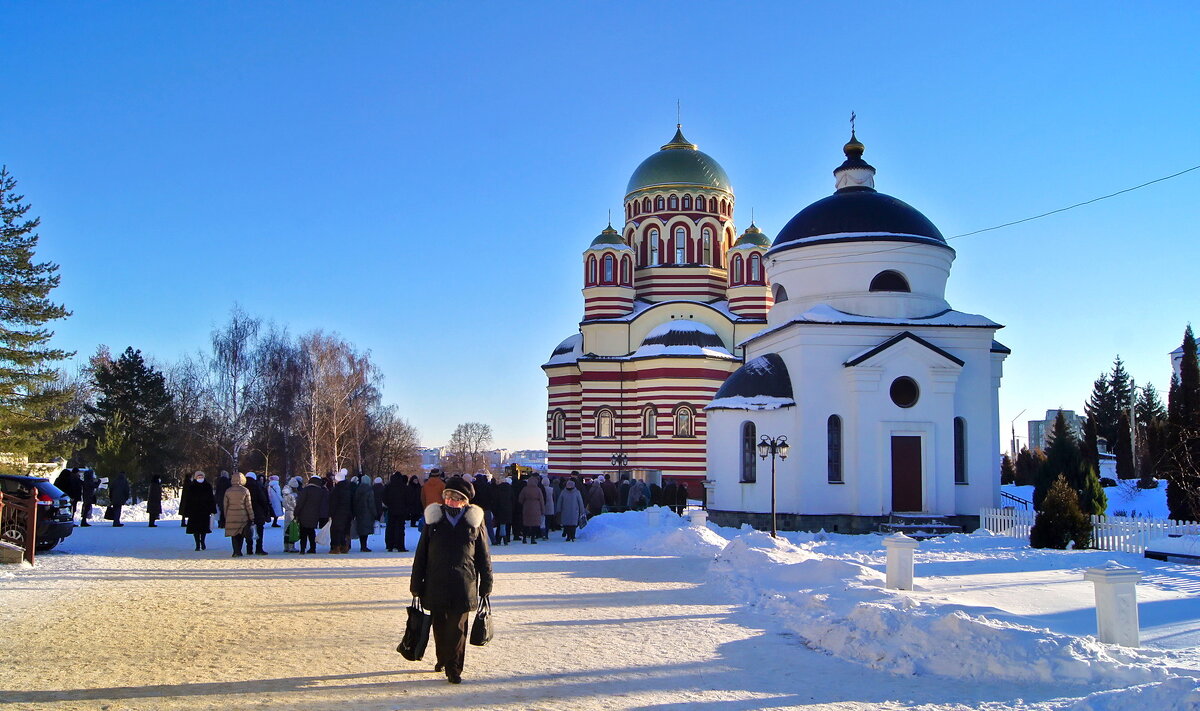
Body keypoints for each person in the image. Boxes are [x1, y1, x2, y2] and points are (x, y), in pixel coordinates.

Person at [409, 477, 493, 684]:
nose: (451, 501)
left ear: (465, 501)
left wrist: (486, 582)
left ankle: (454, 667)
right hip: (435, 581)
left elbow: (483, 554)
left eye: (456, 498)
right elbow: (421, 554)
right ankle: (442, 659)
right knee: (439, 625)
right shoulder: (434, 519)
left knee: (457, 628)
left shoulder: (473, 522)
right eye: (448, 496)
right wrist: (416, 583)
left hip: (464, 582)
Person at [293, 476, 328, 554]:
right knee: (311, 531)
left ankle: (302, 549)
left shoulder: (306, 490)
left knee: (303, 532)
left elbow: (300, 502)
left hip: (304, 514)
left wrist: (296, 513)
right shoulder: (321, 491)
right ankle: (313, 548)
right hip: (315, 514)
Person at [222, 472, 254, 557]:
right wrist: (251, 516)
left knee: (233, 533)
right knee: (241, 533)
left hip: (231, 515)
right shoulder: (245, 490)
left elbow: (225, 505)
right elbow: (248, 505)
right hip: (242, 515)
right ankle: (239, 550)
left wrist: (226, 516)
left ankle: (235, 551)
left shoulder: (228, 491)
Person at [183, 471, 216, 551]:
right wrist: (187, 511)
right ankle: (197, 544)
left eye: (201, 476)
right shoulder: (192, 486)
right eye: (198, 476)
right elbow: (188, 500)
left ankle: (203, 542)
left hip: (205, 510)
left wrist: (212, 509)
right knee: (195, 529)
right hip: (194, 511)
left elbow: (211, 498)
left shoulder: (207, 486)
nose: (200, 478)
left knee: (203, 528)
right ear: (195, 477)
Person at [244, 472, 271, 555]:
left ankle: (249, 549)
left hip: (246, 512)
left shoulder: (243, 487)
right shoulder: (258, 486)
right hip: (258, 511)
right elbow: (263, 499)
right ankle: (259, 548)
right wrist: (266, 510)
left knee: (248, 530)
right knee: (259, 530)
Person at [329, 470, 355, 554]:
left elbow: (333, 503)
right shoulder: (348, 489)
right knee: (345, 531)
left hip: (338, 514)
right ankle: (345, 546)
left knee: (336, 531)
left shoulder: (336, 490)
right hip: (347, 513)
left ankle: (336, 547)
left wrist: (331, 513)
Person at [383, 472, 409, 552]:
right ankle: (401, 546)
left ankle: (390, 546)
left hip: (391, 510)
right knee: (401, 529)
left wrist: (389, 505)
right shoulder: (404, 487)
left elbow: (384, 497)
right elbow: (408, 498)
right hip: (401, 510)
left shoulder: (388, 487)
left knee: (391, 528)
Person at [517, 475, 544, 544]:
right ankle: (533, 538)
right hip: (536, 508)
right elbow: (541, 500)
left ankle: (524, 538)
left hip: (526, 507)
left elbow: (520, 499)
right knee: (534, 524)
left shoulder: (525, 489)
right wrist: (542, 510)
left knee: (526, 524)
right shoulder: (538, 489)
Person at [353, 473, 376, 552]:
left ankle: (362, 545)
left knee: (361, 530)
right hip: (367, 513)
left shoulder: (358, 489)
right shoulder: (369, 490)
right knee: (365, 530)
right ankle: (364, 546)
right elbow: (371, 503)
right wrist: (374, 513)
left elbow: (355, 501)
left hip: (359, 512)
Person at [282, 476, 302, 552]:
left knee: (287, 530)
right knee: (292, 530)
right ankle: (291, 546)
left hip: (287, 512)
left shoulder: (285, 493)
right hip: (292, 512)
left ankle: (286, 546)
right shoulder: (291, 495)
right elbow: (294, 504)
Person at [492, 476, 513, 545]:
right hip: (508, 509)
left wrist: (494, 510)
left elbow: (495, 500)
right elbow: (513, 500)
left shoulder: (497, 489)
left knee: (499, 524)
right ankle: (506, 538)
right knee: (506, 525)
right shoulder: (510, 489)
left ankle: (498, 538)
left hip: (499, 509)